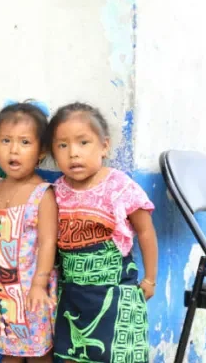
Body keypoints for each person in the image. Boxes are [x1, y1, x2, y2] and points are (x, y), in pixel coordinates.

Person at [45, 102, 157, 363]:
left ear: (104, 146)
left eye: (83, 143)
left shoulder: (119, 186)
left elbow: (146, 232)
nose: (73, 153)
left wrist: (150, 279)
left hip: (115, 294)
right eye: (62, 145)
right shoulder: (56, 191)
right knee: (71, 354)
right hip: (72, 294)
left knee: (115, 355)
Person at [0, 101, 58, 362]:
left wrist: (39, 285)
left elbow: (48, 243)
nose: (14, 150)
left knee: (38, 354)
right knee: (8, 353)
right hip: (1, 294)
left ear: (41, 150)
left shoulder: (42, 194)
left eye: (25, 142)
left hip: (32, 292)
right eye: (6, 141)